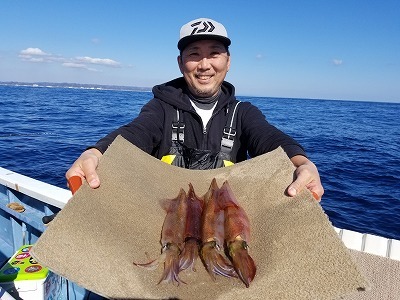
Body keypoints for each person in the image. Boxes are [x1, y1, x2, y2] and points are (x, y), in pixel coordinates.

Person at [66, 17, 324, 200]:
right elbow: (135, 133)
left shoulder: (243, 113)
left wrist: (303, 163)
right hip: (170, 219)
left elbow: (269, 137)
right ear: (180, 63)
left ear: (228, 61)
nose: (204, 65)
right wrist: (95, 153)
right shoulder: (161, 109)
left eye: (214, 53)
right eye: (193, 54)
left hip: (223, 219)